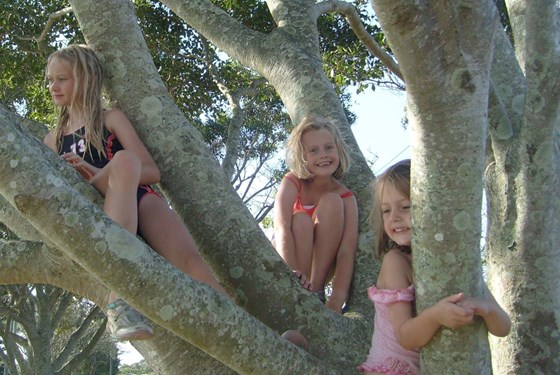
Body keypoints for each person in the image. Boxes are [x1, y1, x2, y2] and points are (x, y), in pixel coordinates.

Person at [44, 44, 226, 341]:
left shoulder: (110, 119)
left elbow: (152, 171)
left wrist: (97, 171)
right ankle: (120, 303)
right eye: (50, 80)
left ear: (86, 79)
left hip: (137, 195)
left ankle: (252, 330)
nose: (53, 86)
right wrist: (91, 178)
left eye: (61, 78)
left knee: (192, 262)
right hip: (98, 203)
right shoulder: (52, 140)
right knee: (122, 163)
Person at [358, 159, 511, 374]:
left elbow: (503, 327)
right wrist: (436, 316)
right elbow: (406, 337)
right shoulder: (395, 262)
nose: (394, 218)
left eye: (405, 207)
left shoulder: (455, 262)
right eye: (386, 210)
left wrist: (485, 309)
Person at [273, 115, 358, 313]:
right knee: (301, 219)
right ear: (302, 156)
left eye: (329, 147)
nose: (323, 155)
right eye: (313, 150)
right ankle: (298, 288)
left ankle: (317, 293)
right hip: (290, 261)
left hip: (321, 271)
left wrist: (337, 299)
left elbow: (347, 250)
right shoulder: (293, 181)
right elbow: (281, 227)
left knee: (331, 201)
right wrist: (291, 273)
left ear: (338, 149)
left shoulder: (345, 196)